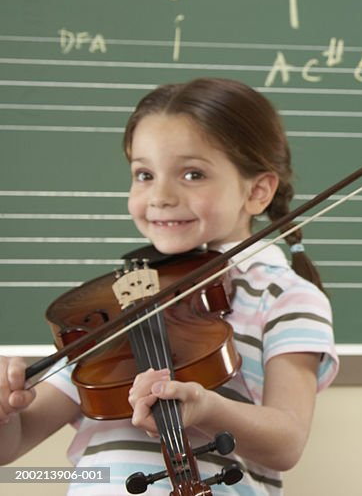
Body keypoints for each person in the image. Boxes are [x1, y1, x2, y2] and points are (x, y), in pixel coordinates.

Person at [0, 77, 339, 495]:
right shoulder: (122, 299)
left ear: (257, 191)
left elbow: (287, 441)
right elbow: (13, 444)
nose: (159, 195)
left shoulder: (285, 296)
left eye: (192, 174)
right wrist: (5, 408)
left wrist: (207, 407)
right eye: (144, 174)